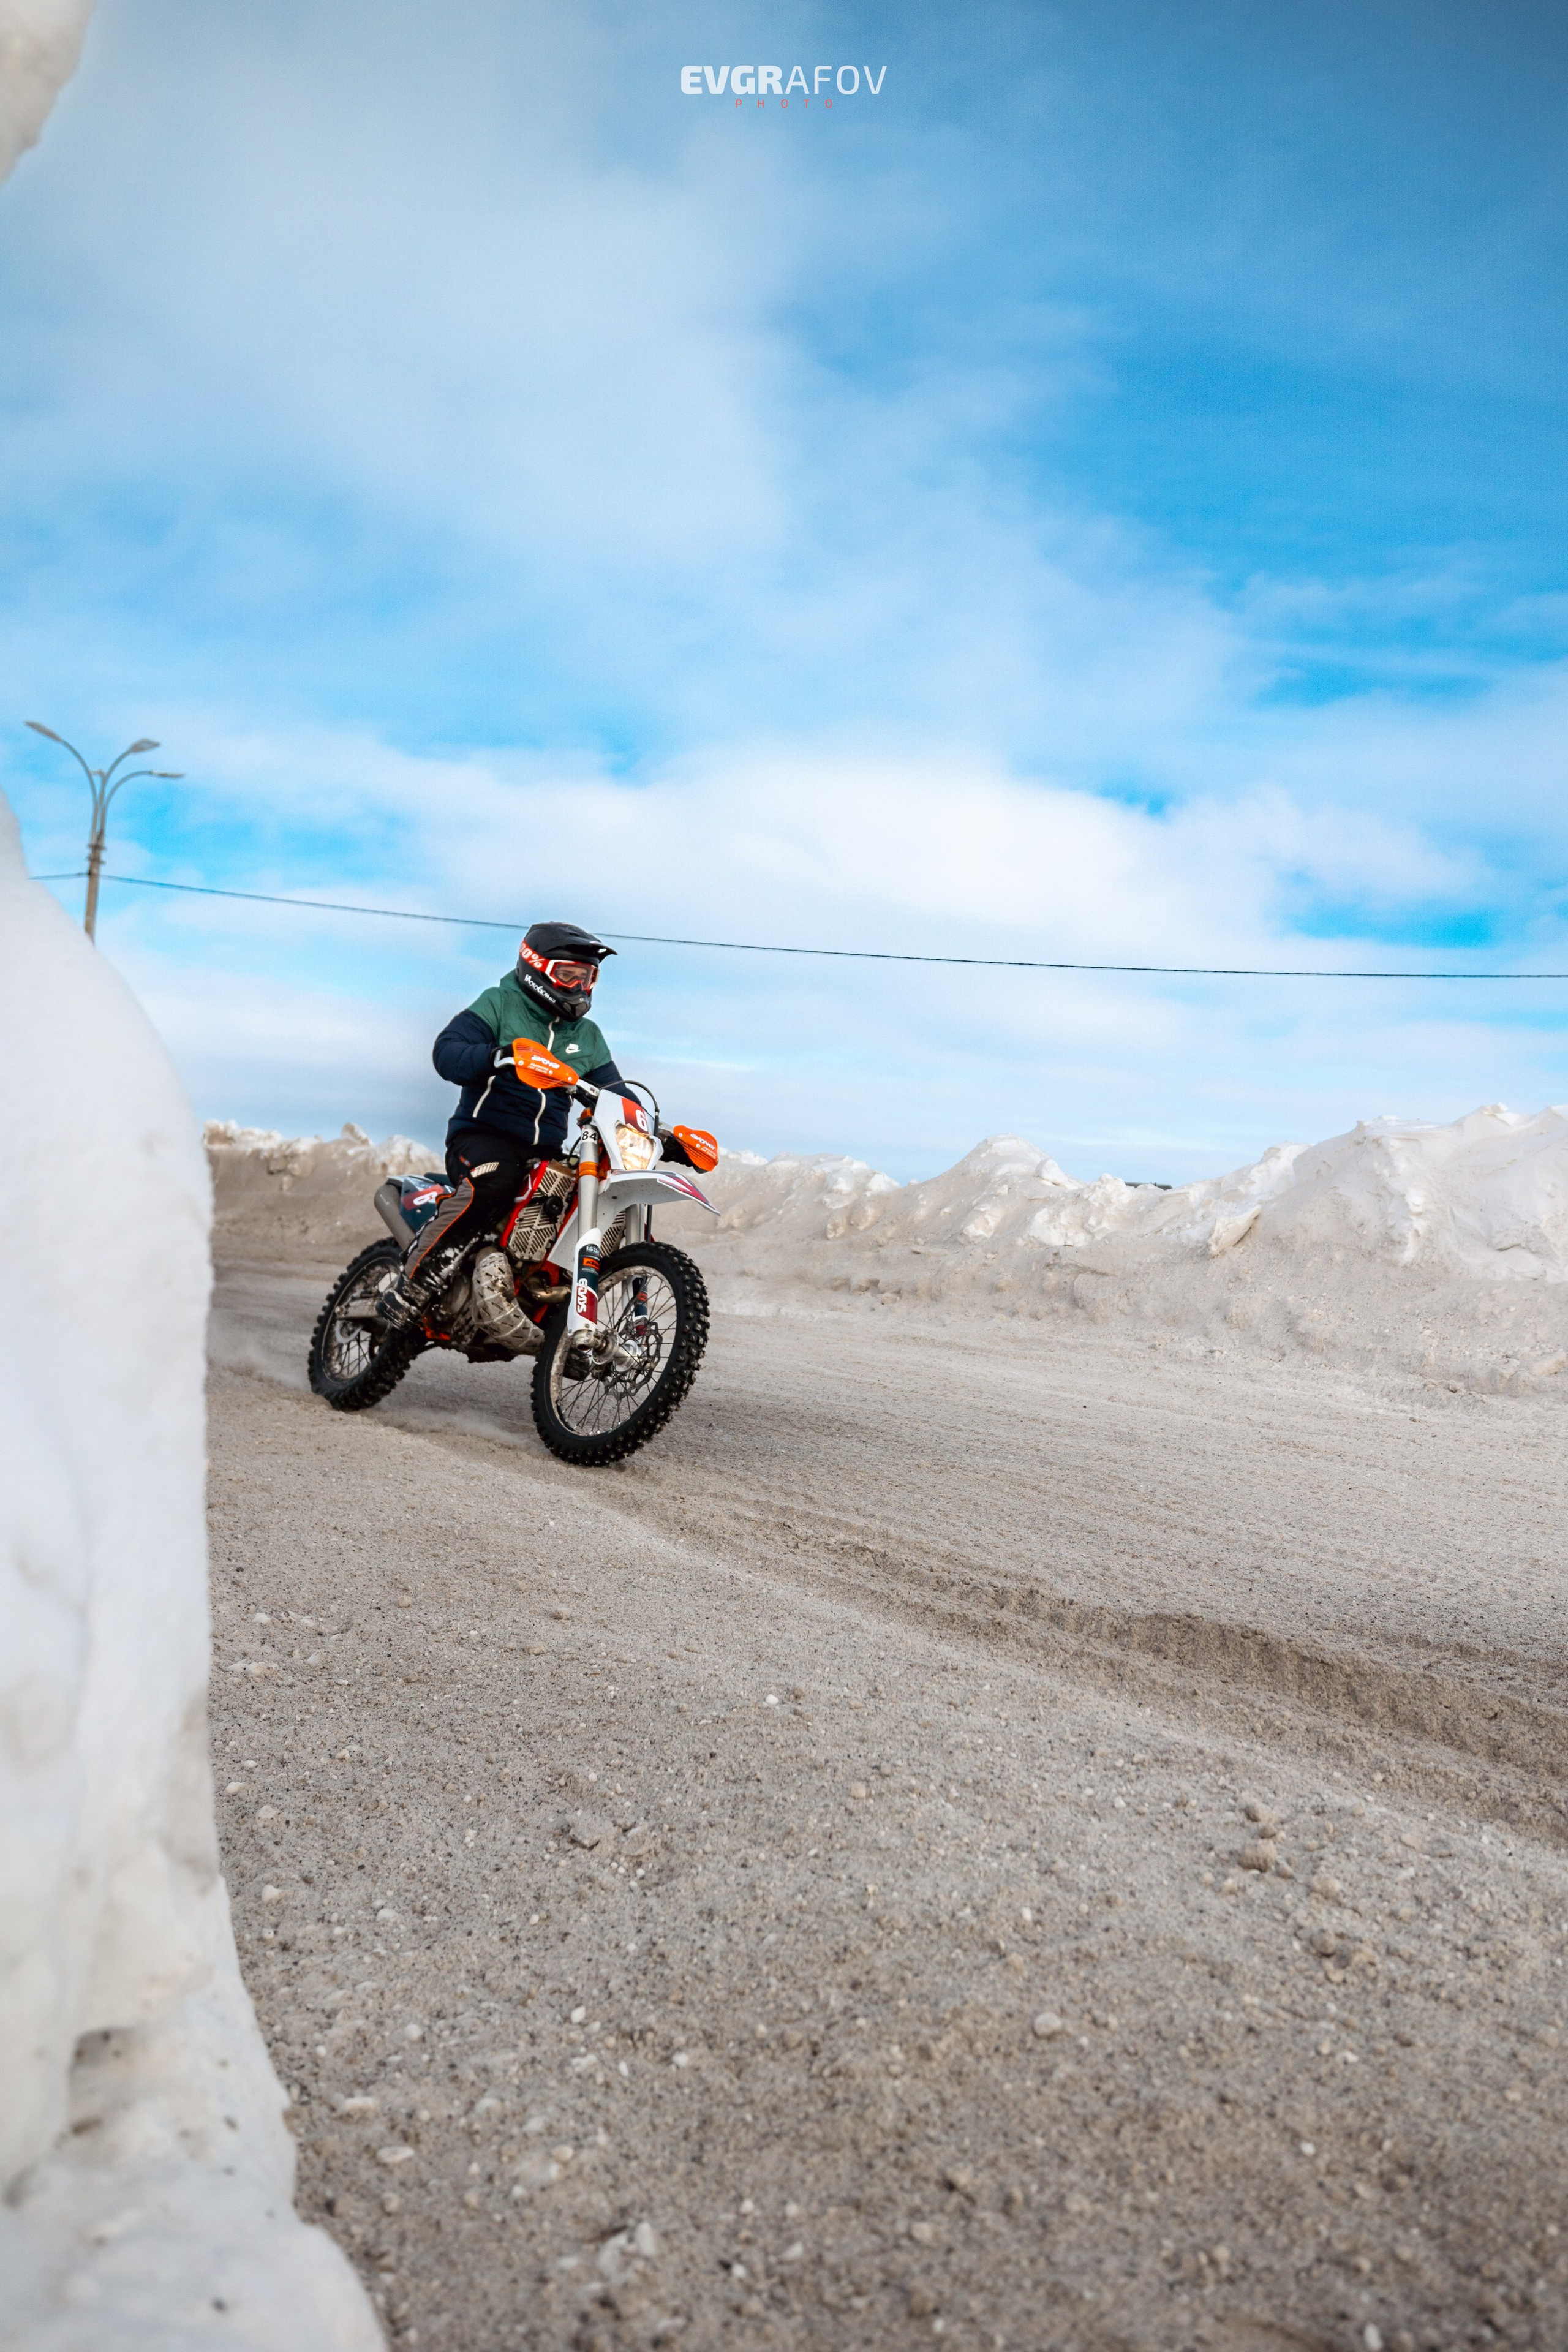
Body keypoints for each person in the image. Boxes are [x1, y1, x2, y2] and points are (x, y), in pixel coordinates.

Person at [377, 921, 624, 1329]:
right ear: (537, 966)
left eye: (587, 977)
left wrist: (655, 1127)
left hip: (544, 1153)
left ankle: (558, 1313)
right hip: (481, 1138)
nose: (579, 986)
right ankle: (415, 1283)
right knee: (496, 1178)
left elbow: (616, 1093)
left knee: (586, 1198)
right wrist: (500, 1056)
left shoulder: (589, 1036)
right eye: (569, 974)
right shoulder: (500, 1003)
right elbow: (448, 1051)